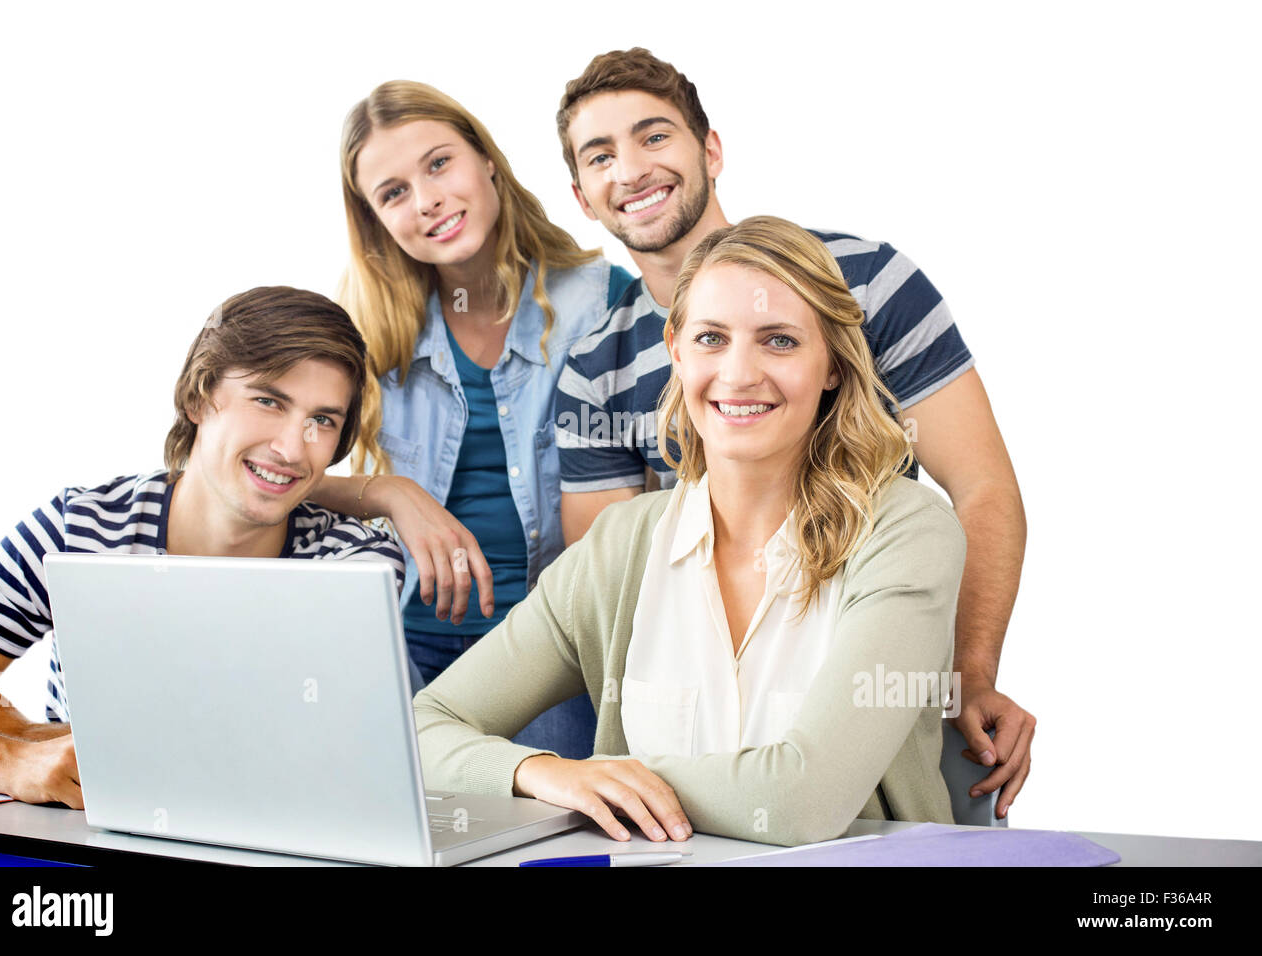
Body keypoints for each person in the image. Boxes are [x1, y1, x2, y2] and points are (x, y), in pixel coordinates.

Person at [550, 49, 1032, 817]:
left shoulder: (866, 281)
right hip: (696, 723)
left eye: (654, 137)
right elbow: (611, 584)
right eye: (601, 155)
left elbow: (980, 487)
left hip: (857, 677)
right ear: (582, 195)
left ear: (710, 150)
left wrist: (968, 676)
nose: (632, 170)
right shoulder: (592, 369)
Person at [414, 217, 965, 846]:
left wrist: (614, 779)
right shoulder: (621, 547)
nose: (738, 374)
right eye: (711, 338)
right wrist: (538, 771)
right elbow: (426, 725)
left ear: (834, 366)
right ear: (676, 350)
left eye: (779, 341)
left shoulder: (906, 533)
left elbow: (800, 803)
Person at [0, 287, 408, 808]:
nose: (292, 448)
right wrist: (4, 761)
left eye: (323, 421)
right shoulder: (77, 530)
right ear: (198, 399)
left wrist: (28, 734)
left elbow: (285, 760)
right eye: (268, 401)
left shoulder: (355, 564)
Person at [307, 81, 633, 758]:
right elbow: (261, 478)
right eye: (392, 193)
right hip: (400, 636)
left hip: (544, 649)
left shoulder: (604, 303)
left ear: (486, 159)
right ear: (374, 219)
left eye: (437, 164)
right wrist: (390, 493)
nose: (425, 201)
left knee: (542, 828)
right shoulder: (364, 331)